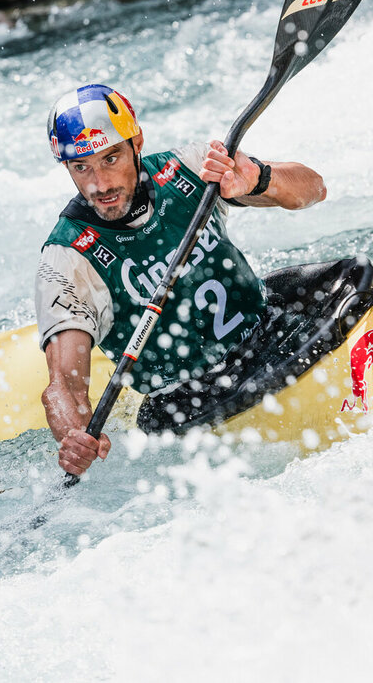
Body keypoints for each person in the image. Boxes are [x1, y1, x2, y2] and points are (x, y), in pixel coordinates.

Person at [36, 84, 327, 476]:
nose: (99, 184)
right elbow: (64, 387)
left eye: (111, 158)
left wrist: (256, 179)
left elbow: (313, 190)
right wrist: (73, 434)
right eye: (81, 167)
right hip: (191, 400)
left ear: (136, 141)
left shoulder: (189, 169)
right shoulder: (68, 258)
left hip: (273, 333)